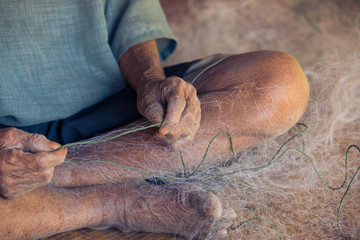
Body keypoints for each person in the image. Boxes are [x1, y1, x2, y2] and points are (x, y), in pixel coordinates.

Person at [0, 0, 309, 239]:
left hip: (117, 103)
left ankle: (60, 180)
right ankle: (115, 202)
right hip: (7, 137)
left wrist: (150, 81)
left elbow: (125, 11)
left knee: (280, 85)